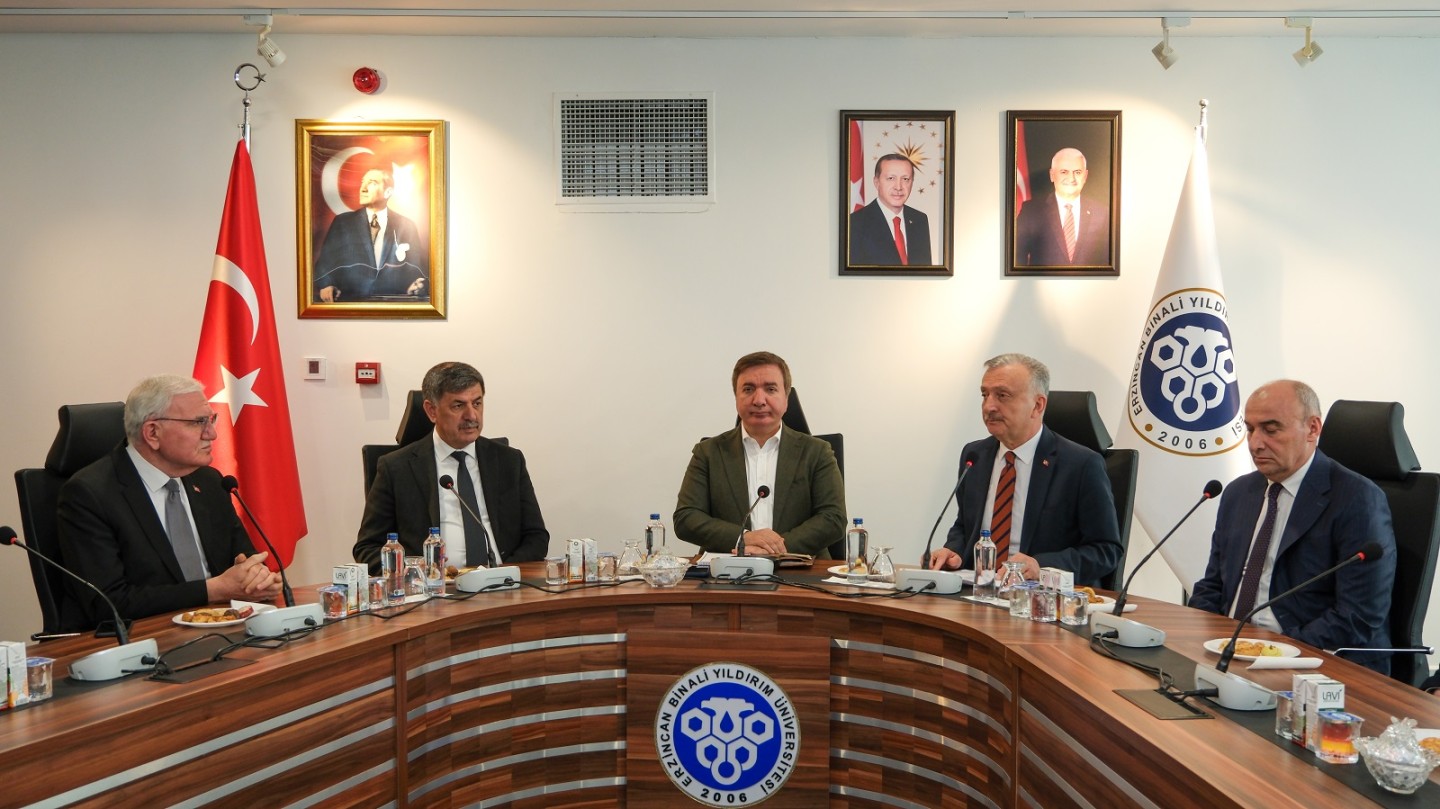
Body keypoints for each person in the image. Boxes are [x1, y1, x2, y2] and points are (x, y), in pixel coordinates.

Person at [1189, 380, 1397, 674]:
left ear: (1312, 429)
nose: (1255, 443)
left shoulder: (1357, 499)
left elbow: (1358, 616)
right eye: (1250, 429)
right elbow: (1213, 586)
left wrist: (1272, 650)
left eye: (1271, 430)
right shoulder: (1238, 493)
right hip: (1230, 651)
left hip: (1314, 663)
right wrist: (1196, 634)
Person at [55, 375, 282, 628]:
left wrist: (259, 579)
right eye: (198, 422)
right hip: (142, 637)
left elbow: (243, 558)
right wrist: (213, 590)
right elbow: (108, 602)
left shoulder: (210, 481)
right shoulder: (89, 494)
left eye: (211, 420)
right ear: (152, 432)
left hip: (221, 629)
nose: (212, 433)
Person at [928, 353, 1121, 587]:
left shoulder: (1081, 464)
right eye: (985, 395)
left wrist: (1041, 566)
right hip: (980, 591)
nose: (989, 406)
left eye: (1002, 395)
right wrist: (954, 551)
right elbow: (965, 526)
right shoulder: (974, 455)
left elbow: (1106, 551)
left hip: (1042, 598)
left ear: (1037, 405)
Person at [354, 361, 549, 573]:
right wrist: (413, 571)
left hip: (502, 582)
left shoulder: (509, 460)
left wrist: (504, 574)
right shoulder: (396, 468)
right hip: (434, 587)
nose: (472, 415)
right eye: (458, 405)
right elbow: (367, 548)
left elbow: (536, 537)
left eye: (477, 403)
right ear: (431, 411)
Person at [674, 351, 846, 557]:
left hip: (801, 567)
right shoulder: (708, 453)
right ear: (736, 398)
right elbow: (686, 518)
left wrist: (775, 549)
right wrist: (744, 538)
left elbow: (833, 518)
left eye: (771, 389)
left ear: (786, 398)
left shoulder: (817, 452)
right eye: (748, 389)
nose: (759, 400)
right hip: (729, 569)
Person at [313, 167, 429, 303]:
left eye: (372, 183)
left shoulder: (407, 226)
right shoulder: (342, 223)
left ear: (388, 192)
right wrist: (326, 285)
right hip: (349, 304)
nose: (363, 188)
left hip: (393, 305)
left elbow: (417, 268)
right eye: (363, 182)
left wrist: (417, 284)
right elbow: (325, 264)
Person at [1014, 147, 1110, 266]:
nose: (1071, 178)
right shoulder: (1031, 212)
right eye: (1064, 172)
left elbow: (1108, 263)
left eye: (1077, 172)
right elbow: (1016, 260)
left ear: (1085, 176)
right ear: (1052, 175)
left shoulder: (1102, 213)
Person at [848, 154, 933, 266]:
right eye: (891, 178)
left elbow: (924, 271)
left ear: (912, 182)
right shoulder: (855, 223)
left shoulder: (919, 220)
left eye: (905, 179)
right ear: (876, 182)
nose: (898, 187)